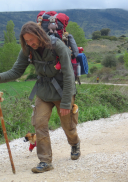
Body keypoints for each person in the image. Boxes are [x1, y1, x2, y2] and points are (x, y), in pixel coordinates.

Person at [0, 21, 81, 173]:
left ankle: (75, 143)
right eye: (26, 41)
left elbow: (69, 76)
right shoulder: (27, 50)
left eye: (32, 39)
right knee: (39, 124)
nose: (30, 43)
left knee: (68, 126)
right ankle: (45, 161)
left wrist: (65, 103)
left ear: (39, 35)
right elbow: (15, 72)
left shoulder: (58, 46)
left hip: (63, 91)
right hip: (43, 91)